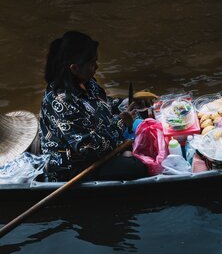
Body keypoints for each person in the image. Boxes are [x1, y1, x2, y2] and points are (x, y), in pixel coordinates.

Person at [39, 30, 147, 181]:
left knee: (145, 131)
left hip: (103, 142)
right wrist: (121, 123)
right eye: (91, 63)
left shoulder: (87, 82)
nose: (96, 67)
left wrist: (127, 103)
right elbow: (88, 149)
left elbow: (104, 104)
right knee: (137, 167)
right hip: (74, 165)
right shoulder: (60, 102)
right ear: (74, 68)